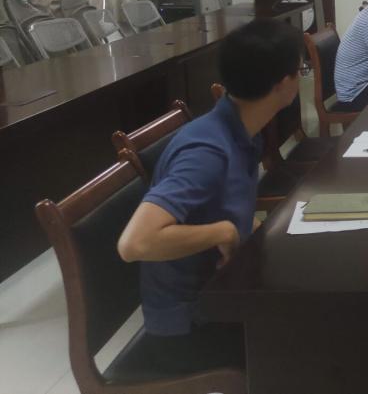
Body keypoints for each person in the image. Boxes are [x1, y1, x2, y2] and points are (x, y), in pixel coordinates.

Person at [117, 18, 304, 375]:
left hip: (222, 296)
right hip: (190, 329)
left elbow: (222, 206)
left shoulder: (240, 129)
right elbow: (134, 243)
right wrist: (224, 232)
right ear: (283, 83)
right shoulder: (207, 150)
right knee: (320, 337)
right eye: (300, 70)